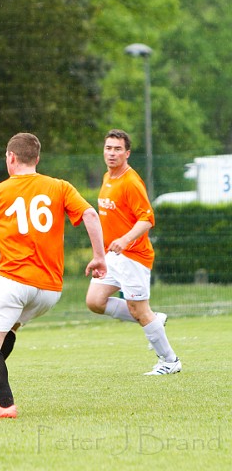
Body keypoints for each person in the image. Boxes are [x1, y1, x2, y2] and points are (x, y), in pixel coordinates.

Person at [0, 133, 107, 419]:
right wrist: (99, 257)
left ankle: (5, 404)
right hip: (49, 289)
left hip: (13, 279)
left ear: (10, 158)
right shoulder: (60, 186)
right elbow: (90, 215)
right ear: (37, 159)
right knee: (7, 332)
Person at [85, 129, 181, 375]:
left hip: (134, 256)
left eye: (117, 149)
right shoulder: (108, 177)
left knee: (139, 309)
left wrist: (125, 240)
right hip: (112, 256)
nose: (112, 153)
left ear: (127, 153)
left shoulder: (130, 181)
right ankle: (153, 319)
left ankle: (170, 361)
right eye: (108, 148)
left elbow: (147, 219)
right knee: (95, 301)